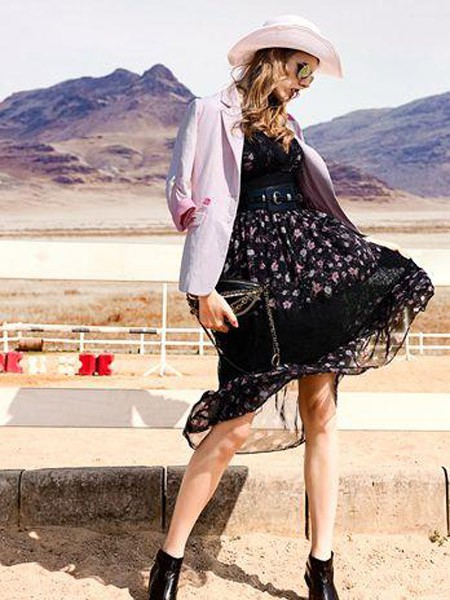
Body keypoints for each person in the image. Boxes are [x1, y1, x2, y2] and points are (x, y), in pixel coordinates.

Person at [147, 14, 435, 600]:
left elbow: (311, 197)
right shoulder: (208, 111)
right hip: (248, 278)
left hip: (309, 273)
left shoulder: (291, 125)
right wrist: (201, 290)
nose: (306, 83)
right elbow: (185, 198)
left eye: (312, 75)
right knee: (234, 424)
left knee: (320, 410)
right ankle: (169, 558)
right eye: (302, 70)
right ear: (274, 57)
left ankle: (321, 564)